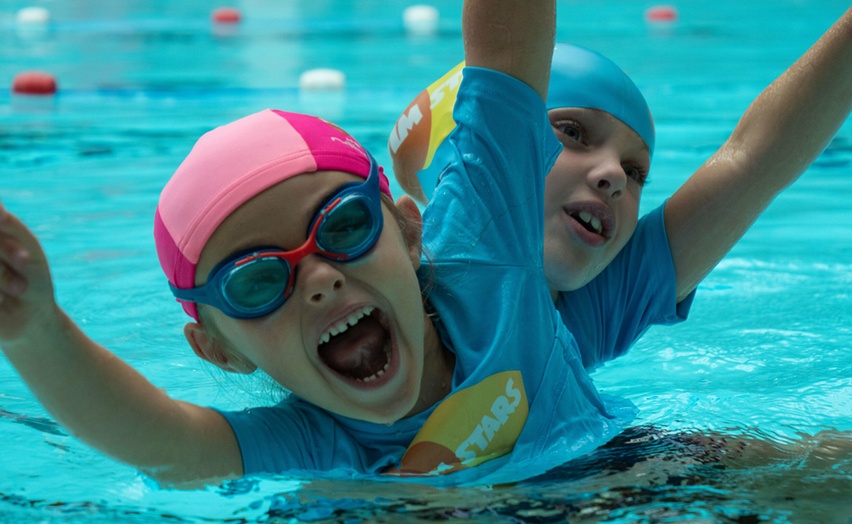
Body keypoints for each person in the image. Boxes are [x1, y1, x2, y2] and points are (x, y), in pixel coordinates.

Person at [0, 0, 636, 488]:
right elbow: (165, 445)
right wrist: (35, 331)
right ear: (220, 350)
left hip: (632, 477)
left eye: (343, 226)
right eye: (255, 281)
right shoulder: (310, 443)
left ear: (409, 231)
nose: (319, 278)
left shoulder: (489, 271)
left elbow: (506, 51)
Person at [390, 0, 852, 371]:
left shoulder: (591, 312)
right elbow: (505, 43)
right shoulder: (443, 263)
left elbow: (753, 161)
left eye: (636, 171)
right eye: (573, 132)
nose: (616, 175)